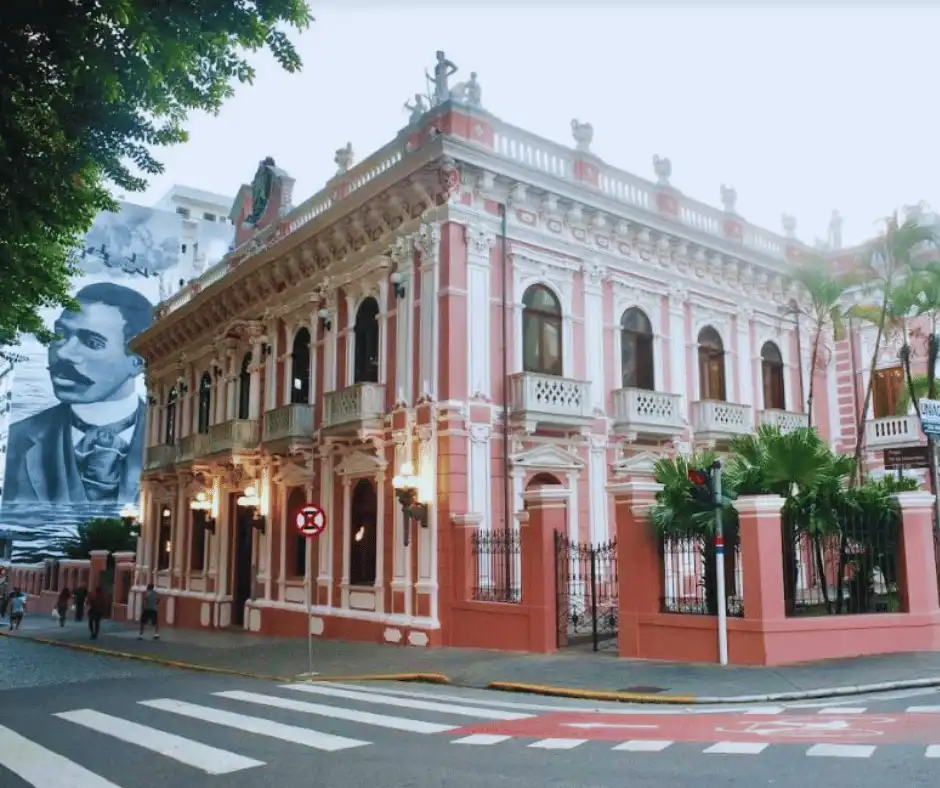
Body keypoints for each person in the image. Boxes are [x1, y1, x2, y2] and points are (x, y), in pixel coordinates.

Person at [2, 282, 153, 506]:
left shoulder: (167, 438)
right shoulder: (13, 440)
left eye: (92, 342)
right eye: (60, 334)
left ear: (137, 361)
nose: (63, 352)